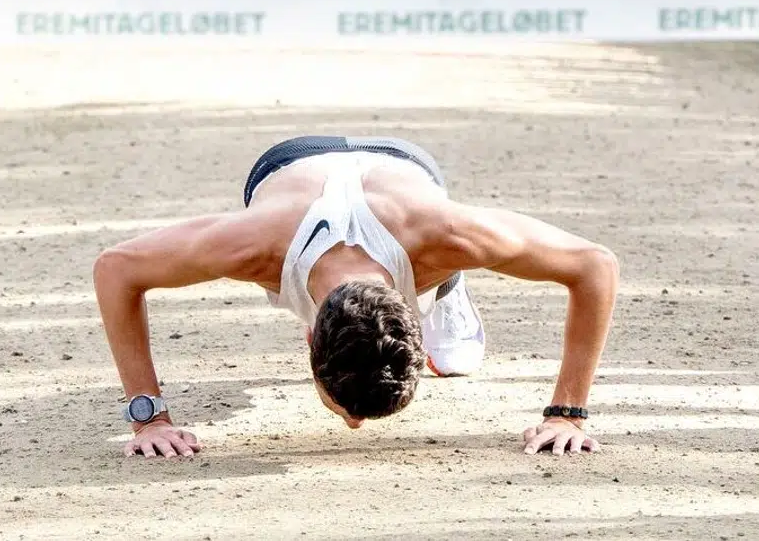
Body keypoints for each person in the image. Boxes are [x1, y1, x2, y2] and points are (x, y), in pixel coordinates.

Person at [92, 135, 620, 458]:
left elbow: (594, 265)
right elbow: (116, 269)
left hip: (403, 171)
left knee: (456, 355)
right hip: (286, 165)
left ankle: (445, 287)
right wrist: (148, 417)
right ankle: (434, 292)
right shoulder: (253, 247)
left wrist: (566, 413)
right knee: (404, 359)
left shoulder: (449, 238)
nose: (354, 426)